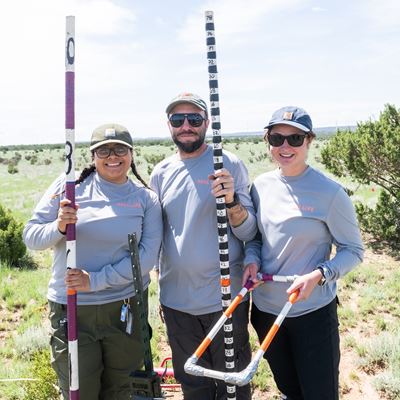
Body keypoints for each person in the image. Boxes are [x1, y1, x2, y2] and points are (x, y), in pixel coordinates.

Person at [23, 124, 162, 400]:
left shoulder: (146, 199)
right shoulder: (69, 187)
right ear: (92, 155)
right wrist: (59, 227)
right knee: (80, 390)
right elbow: (32, 237)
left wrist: (94, 280)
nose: (113, 156)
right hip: (73, 308)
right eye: (104, 150)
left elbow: (146, 258)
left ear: (131, 154)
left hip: (125, 309)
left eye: (120, 149)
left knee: (122, 391)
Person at [242, 106, 364, 400]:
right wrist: (252, 259)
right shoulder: (260, 187)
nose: (285, 146)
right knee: (289, 390)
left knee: (319, 394)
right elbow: (256, 239)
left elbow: (354, 250)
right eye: (277, 138)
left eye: (295, 139)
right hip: (265, 312)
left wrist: (320, 275)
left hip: (312, 313)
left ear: (309, 141)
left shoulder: (330, 193)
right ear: (267, 141)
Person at [150, 92, 257, 400]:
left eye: (194, 119)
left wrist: (231, 201)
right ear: (169, 125)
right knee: (192, 382)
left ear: (207, 123)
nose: (186, 126)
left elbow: (249, 230)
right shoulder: (161, 172)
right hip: (176, 302)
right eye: (178, 119)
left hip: (224, 300)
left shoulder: (228, 164)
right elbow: (159, 234)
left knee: (232, 382)